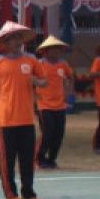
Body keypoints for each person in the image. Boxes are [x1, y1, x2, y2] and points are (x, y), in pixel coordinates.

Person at [0, 21, 48, 199]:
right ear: (5, 41)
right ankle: (11, 193)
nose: (17, 41)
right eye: (13, 38)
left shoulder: (31, 60)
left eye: (19, 37)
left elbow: (44, 82)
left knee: (27, 160)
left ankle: (28, 193)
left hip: (27, 118)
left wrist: (36, 81)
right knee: (7, 160)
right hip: (6, 120)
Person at [34, 35, 74, 169]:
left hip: (60, 105)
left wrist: (68, 94)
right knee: (47, 132)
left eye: (58, 49)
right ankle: (39, 158)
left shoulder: (63, 64)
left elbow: (70, 77)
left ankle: (52, 159)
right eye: (53, 49)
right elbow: (30, 80)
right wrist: (35, 97)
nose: (56, 52)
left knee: (59, 133)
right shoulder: (39, 64)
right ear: (46, 51)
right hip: (44, 105)